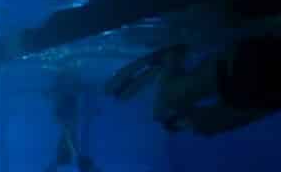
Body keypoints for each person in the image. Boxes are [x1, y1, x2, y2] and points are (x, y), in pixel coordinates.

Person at [106, 36, 281, 135]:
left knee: (172, 102)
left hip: (239, 71)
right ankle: (164, 61)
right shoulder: (176, 98)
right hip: (237, 72)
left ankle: (164, 62)